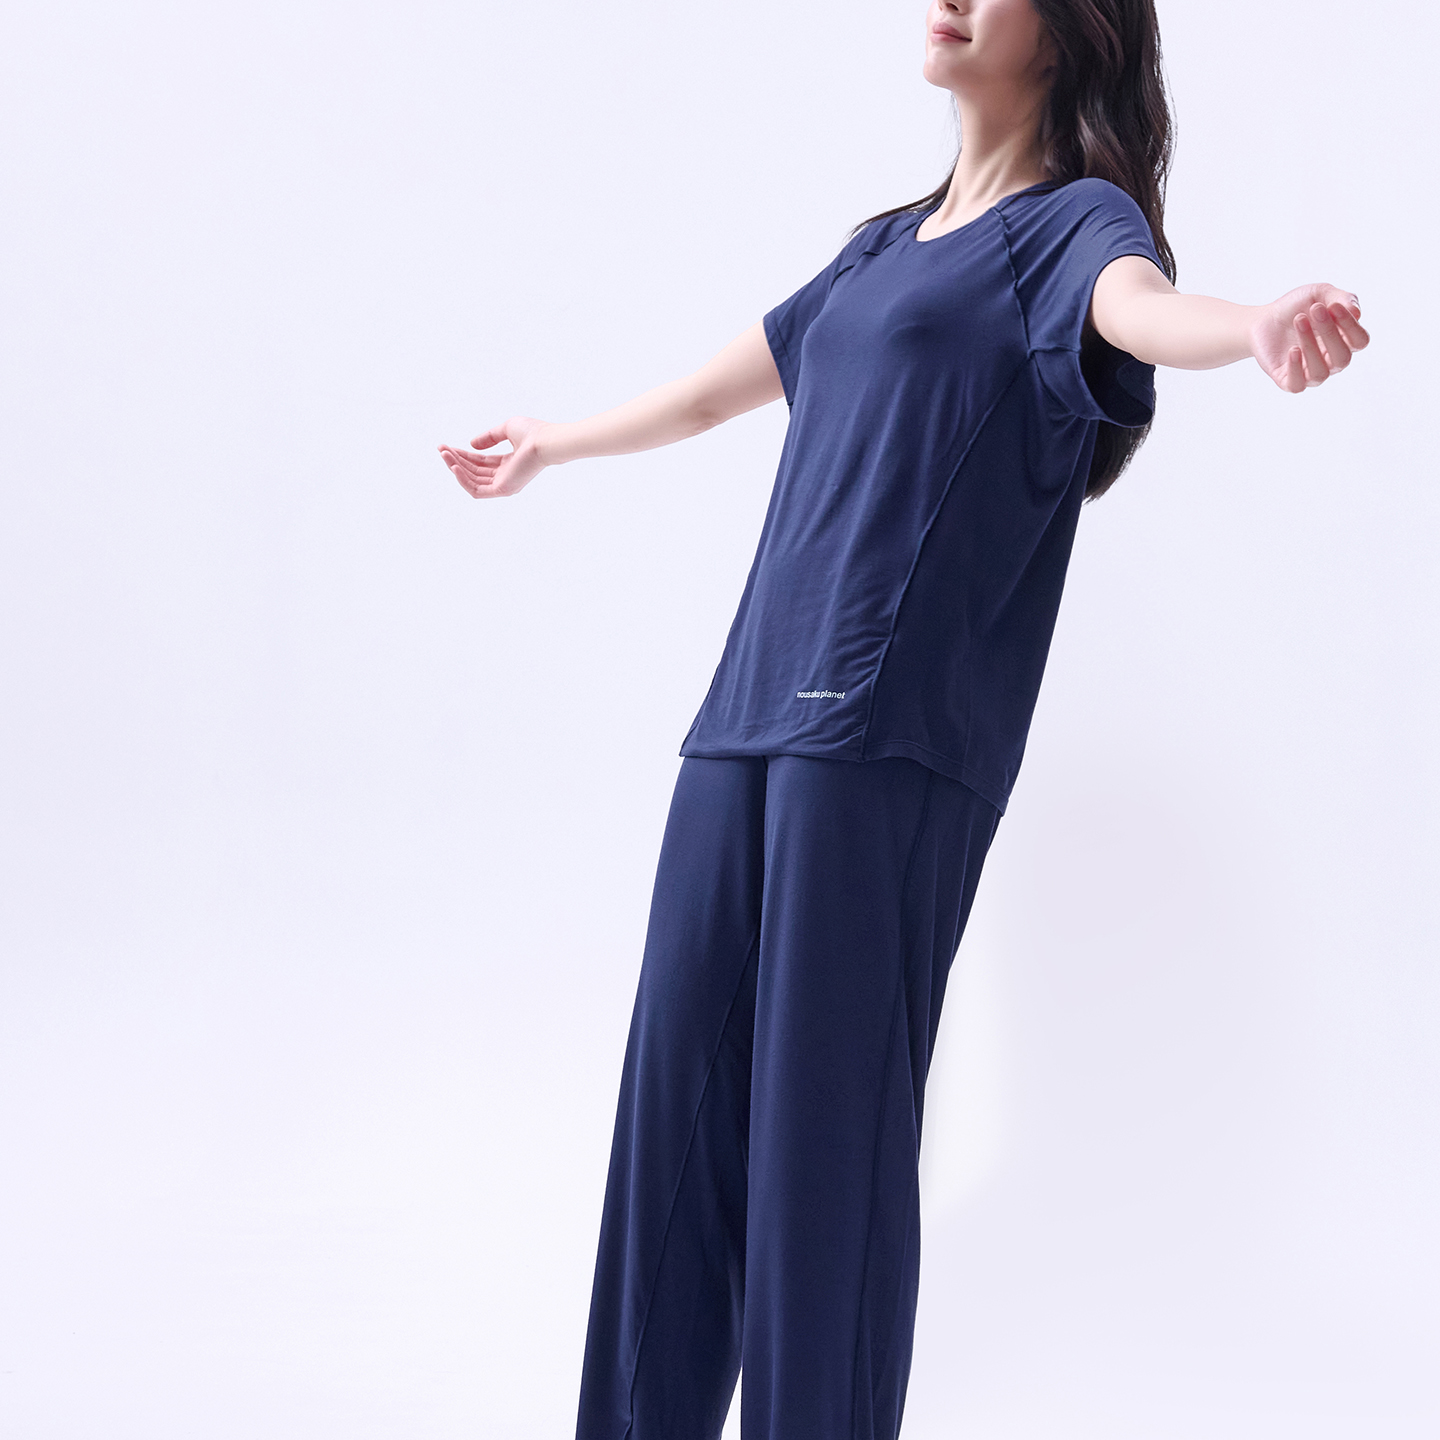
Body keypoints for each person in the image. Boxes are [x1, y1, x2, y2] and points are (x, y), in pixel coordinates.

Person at [439, 1, 1370, 1436]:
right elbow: (714, 394)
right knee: (674, 1138)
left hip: (883, 741)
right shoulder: (880, 247)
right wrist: (553, 442)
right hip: (741, 724)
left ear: (1066, 31)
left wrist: (1252, 330)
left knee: (821, 1149)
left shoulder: (1077, 230)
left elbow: (1139, 310)